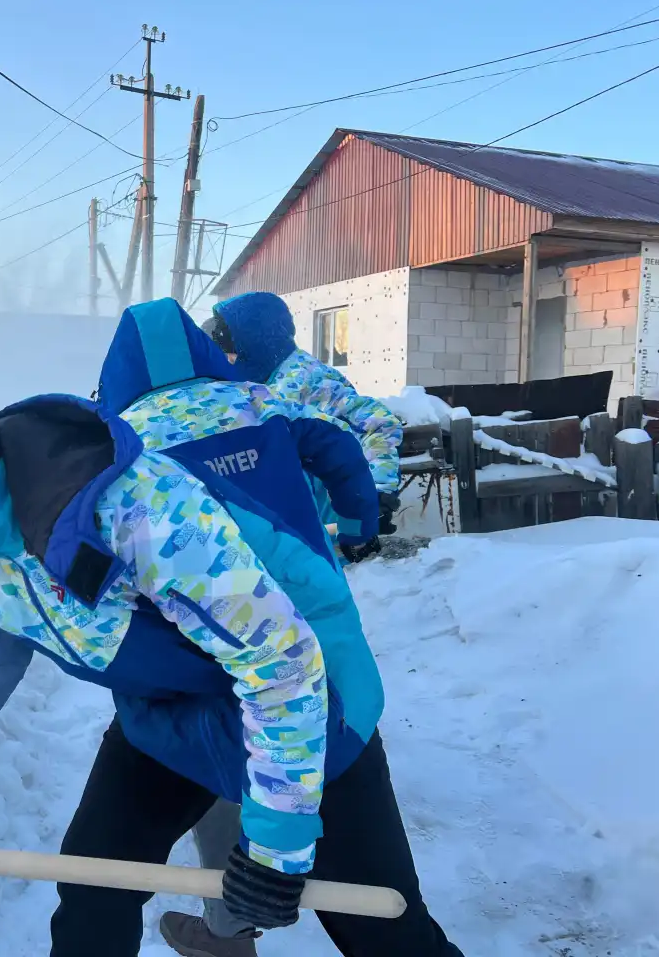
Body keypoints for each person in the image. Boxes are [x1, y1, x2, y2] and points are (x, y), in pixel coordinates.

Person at [0, 372, 460, 957]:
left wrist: (276, 844)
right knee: (92, 884)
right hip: (171, 714)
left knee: (388, 937)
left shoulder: (132, 509)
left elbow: (280, 659)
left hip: (314, 704)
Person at [96, 298, 457, 957]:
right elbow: (346, 446)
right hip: (316, 657)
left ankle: (227, 929)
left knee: (210, 777)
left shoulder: (117, 443)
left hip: (193, 676)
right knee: (375, 890)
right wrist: (359, 521)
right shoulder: (265, 402)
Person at [204, 291, 404, 547]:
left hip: (327, 518)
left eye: (229, 347)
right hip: (290, 521)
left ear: (253, 340)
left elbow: (378, 423)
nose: (226, 358)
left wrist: (376, 490)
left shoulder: (308, 380)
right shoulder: (260, 380)